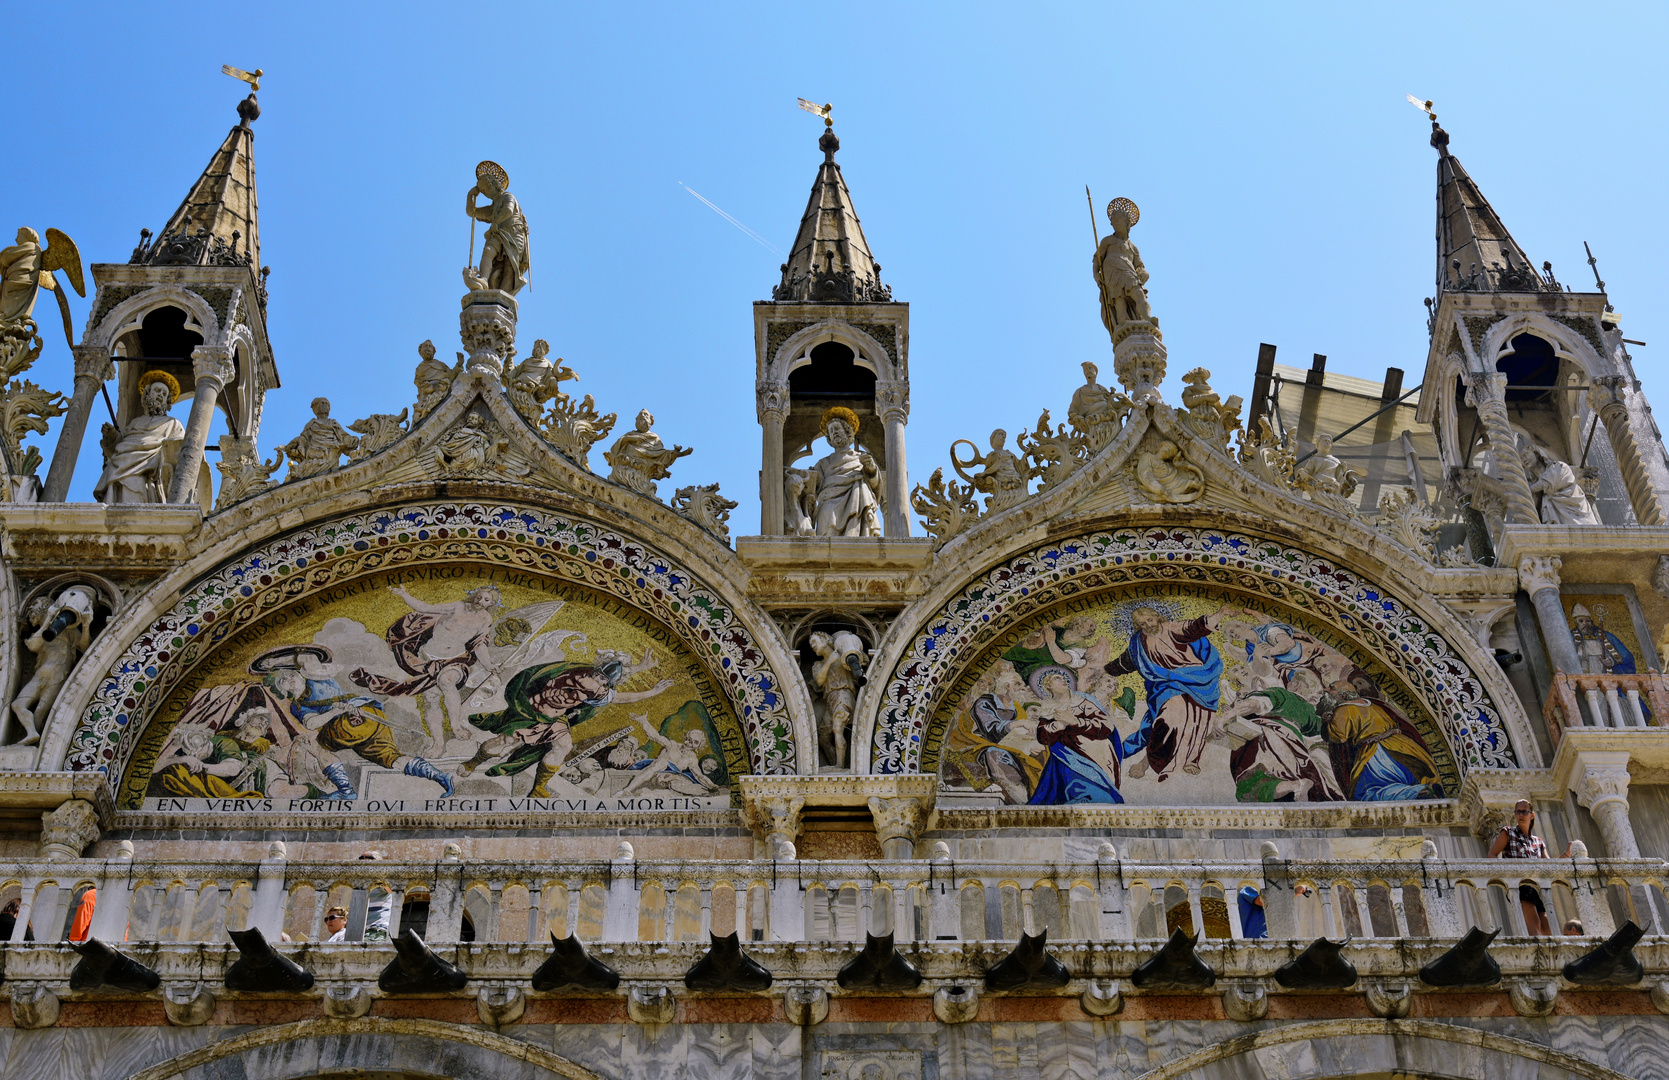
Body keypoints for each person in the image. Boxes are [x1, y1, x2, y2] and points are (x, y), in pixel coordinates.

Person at [460, 650, 673, 797]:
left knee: (564, 745)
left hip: (555, 718)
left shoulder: (596, 679)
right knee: (504, 741)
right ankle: (473, 762)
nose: (598, 680)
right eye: (598, 676)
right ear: (595, 669)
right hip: (533, 712)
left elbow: (610, 681)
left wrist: (639, 668)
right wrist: (651, 692)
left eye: (603, 680)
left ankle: (539, 789)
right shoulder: (586, 679)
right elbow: (617, 696)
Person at [1105, 605, 1244, 781]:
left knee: (1199, 720)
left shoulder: (1172, 629)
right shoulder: (1138, 643)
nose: (1148, 625)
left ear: (1157, 616)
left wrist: (1222, 613)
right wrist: (1102, 671)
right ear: (1137, 626)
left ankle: (1192, 757)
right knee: (1169, 717)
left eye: (1150, 620)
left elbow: (1196, 626)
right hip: (1167, 685)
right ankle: (1148, 760)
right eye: (1142, 624)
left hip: (1198, 680)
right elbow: (1124, 663)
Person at [352, 584, 500, 744]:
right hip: (427, 659)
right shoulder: (458, 607)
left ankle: (456, 726)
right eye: (479, 597)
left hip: (455, 658)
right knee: (431, 701)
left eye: (486, 599)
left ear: (491, 604)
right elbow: (426, 607)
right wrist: (404, 594)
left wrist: (489, 665)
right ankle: (438, 743)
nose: (480, 601)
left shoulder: (486, 619)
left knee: (447, 680)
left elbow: (479, 644)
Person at [1025, 667, 1123, 804]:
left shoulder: (1082, 702)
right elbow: (1043, 737)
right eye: (1057, 678)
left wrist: (1075, 721)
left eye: (1064, 677)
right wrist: (1060, 724)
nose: (1063, 679)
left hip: (1093, 753)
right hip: (1065, 755)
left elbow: (1107, 726)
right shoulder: (1047, 709)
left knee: (1094, 790)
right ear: (1048, 685)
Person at [94, 375, 185, 504]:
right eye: (157, 390)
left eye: (164, 394)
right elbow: (121, 441)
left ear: (167, 401)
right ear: (148, 394)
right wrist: (112, 434)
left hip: (147, 465)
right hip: (122, 459)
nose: (161, 395)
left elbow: (178, 449)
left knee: (136, 485)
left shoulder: (173, 423)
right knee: (116, 478)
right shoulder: (135, 422)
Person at [801, 407, 882, 537]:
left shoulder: (860, 458)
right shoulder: (824, 463)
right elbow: (813, 485)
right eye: (831, 431)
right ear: (829, 438)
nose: (835, 433)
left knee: (861, 490)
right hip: (829, 501)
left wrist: (871, 469)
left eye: (837, 429)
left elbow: (875, 485)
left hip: (855, 500)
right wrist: (811, 477)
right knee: (827, 521)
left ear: (847, 431)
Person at [1487, 800, 1553, 936]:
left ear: (1532, 815)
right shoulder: (1508, 833)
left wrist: (1567, 854)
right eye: (1518, 811)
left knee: (1547, 927)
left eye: (1524, 811)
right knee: (1534, 923)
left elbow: (1550, 865)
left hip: (1535, 886)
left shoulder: (1538, 841)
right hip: (1519, 884)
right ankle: (1538, 954)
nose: (1520, 815)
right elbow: (1492, 854)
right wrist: (1506, 875)